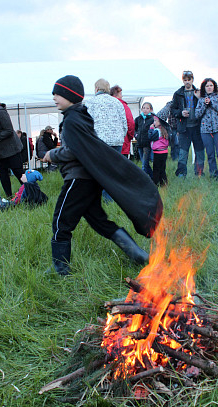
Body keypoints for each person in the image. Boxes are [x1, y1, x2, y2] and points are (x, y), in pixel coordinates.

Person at [42, 75, 162, 276]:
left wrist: (51, 154)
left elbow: (75, 151)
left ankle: (60, 269)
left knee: (60, 222)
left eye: (58, 94)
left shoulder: (72, 119)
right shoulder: (82, 115)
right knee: (99, 221)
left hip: (78, 179)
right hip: (91, 179)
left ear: (69, 95)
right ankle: (137, 254)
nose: (54, 97)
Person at [171, 70, 205, 177]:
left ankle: (199, 173)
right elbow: (173, 110)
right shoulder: (178, 94)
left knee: (199, 151)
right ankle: (181, 173)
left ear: (192, 80)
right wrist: (181, 113)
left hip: (197, 127)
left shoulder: (199, 92)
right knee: (183, 152)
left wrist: (200, 98)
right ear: (183, 81)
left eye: (189, 80)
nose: (187, 82)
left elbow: (205, 107)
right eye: (185, 80)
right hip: (184, 128)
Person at [195, 78, 218, 179]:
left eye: (211, 85)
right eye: (207, 86)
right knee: (210, 154)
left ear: (214, 87)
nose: (209, 87)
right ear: (204, 88)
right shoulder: (201, 100)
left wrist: (212, 104)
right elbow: (197, 115)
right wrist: (205, 105)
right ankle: (213, 175)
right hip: (206, 131)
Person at [85, 79, 127, 151]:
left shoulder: (90, 102)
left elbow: (87, 122)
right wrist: (121, 135)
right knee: (115, 162)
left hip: (98, 140)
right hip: (117, 140)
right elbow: (124, 123)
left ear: (97, 88)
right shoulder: (117, 102)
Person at [110, 85, 135, 157]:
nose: (122, 96)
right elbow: (131, 123)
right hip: (122, 142)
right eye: (120, 94)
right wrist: (129, 136)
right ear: (117, 94)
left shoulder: (106, 105)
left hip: (108, 143)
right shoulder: (123, 106)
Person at [148, 113, 170, 186]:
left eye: (155, 121)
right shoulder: (164, 130)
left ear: (159, 122)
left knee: (156, 168)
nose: (154, 122)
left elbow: (150, 137)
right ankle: (163, 182)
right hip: (164, 152)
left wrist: (151, 129)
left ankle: (155, 183)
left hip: (158, 152)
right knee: (162, 168)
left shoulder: (157, 131)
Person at [134, 102, 154, 177]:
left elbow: (154, 130)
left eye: (147, 108)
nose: (145, 110)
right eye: (144, 108)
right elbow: (134, 129)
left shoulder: (152, 119)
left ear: (150, 110)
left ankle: (144, 181)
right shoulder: (138, 119)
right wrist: (136, 135)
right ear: (141, 109)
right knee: (145, 163)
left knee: (144, 165)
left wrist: (150, 136)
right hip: (140, 143)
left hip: (147, 144)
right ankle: (153, 177)